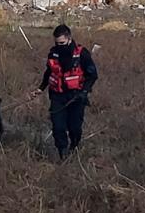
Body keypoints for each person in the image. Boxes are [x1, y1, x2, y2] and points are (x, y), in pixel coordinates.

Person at [31, 25, 98, 160]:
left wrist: (84, 92)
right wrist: (40, 88)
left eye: (62, 43)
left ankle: (74, 146)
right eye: (56, 43)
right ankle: (63, 153)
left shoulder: (82, 54)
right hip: (57, 96)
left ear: (69, 39)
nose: (59, 46)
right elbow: (49, 73)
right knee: (58, 127)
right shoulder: (53, 53)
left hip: (76, 97)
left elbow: (93, 75)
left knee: (75, 128)